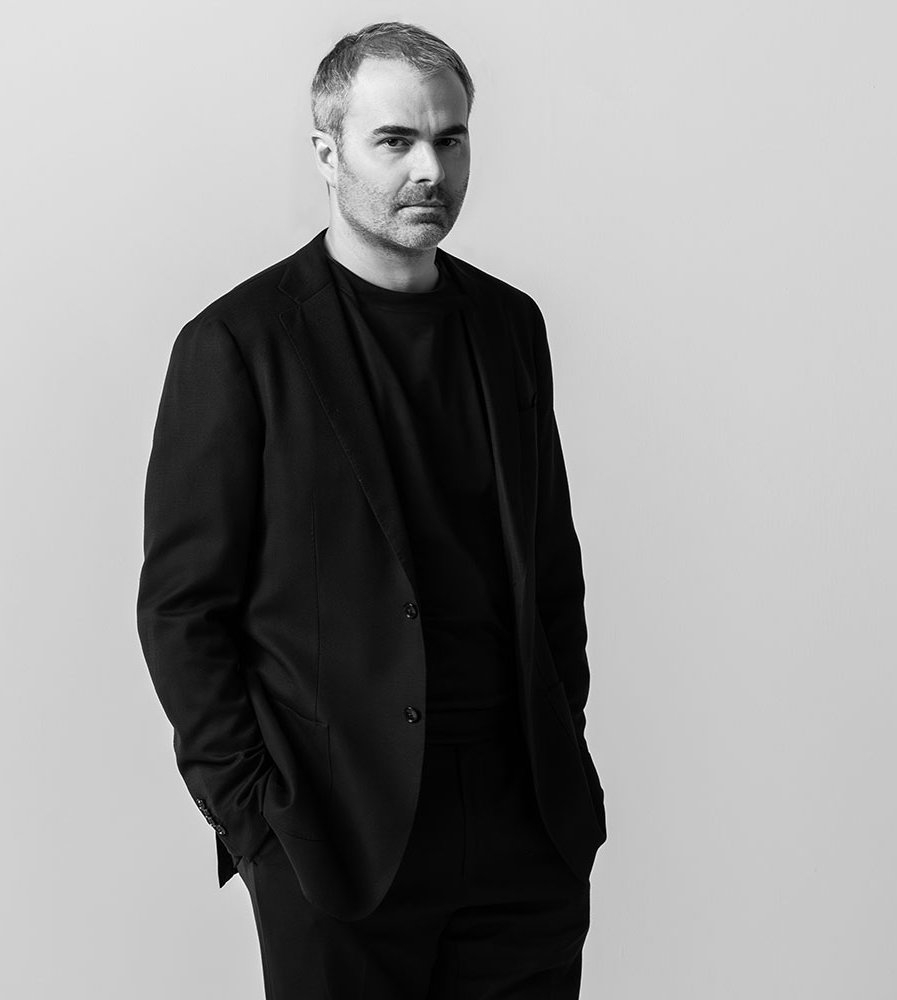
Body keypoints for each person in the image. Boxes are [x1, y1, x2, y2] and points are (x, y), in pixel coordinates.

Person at [136, 21, 606, 999]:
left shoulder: (510, 326)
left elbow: (549, 568)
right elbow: (183, 610)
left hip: (523, 825)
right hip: (338, 835)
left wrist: (563, 746)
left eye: (450, 138)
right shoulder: (238, 345)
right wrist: (257, 821)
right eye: (395, 140)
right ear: (327, 152)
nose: (430, 168)